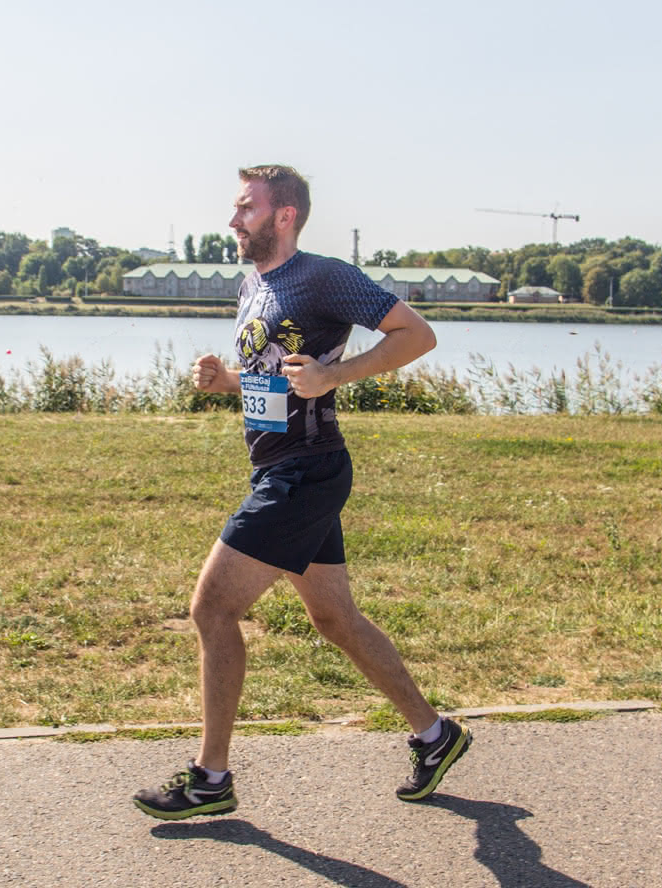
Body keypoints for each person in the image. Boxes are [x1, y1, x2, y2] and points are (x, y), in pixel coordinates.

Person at [133, 165, 471, 819]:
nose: (233, 221)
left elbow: (417, 335)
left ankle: (211, 778)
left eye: (245, 209)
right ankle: (436, 735)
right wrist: (228, 382)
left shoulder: (323, 276)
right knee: (333, 618)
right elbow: (277, 378)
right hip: (280, 469)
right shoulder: (254, 282)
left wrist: (334, 374)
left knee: (211, 609)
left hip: (305, 472)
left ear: (284, 214)